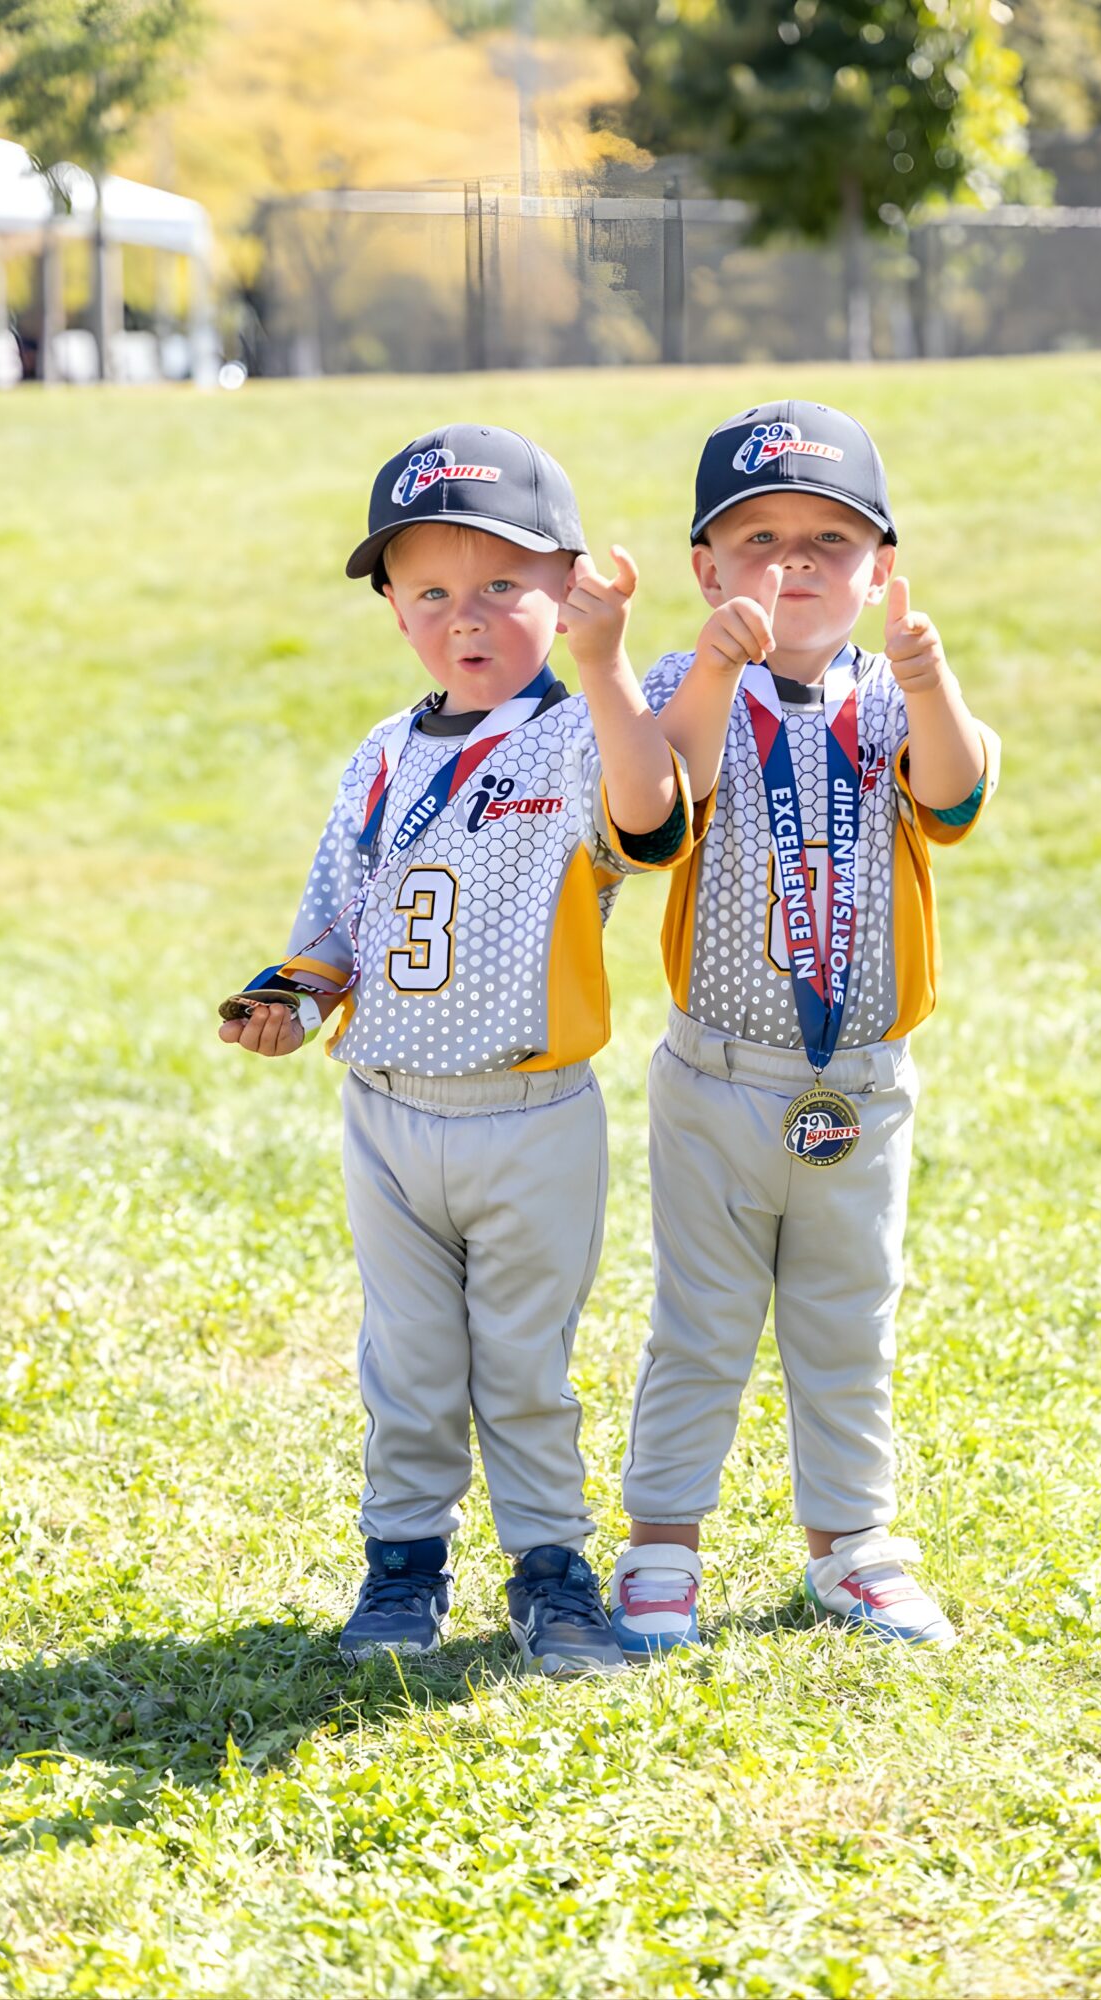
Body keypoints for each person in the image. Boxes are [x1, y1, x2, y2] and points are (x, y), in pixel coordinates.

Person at [219, 424, 691, 1676]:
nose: (465, 617)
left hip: (528, 1112)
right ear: (391, 607)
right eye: (430, 590)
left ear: (569, 583)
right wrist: (289, 997)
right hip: (385, 1111)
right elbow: (337, 917)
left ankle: (550, 1567)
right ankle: (402, 1564)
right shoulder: (379, 755)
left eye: (501, 585)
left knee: (524, 1368)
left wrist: (608, 658)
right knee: (411, 1360)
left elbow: (650, 814)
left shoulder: (585, 725)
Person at [608, 402, 999, 1654]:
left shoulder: (886, 693)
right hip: (718, 1074)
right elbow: (674, 795)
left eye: (830, 539)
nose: (794, 564)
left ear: (880, 565)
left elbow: (954, 793)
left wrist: (934, 684)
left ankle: (852, 1542)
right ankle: (661, 1544)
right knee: (702, 1318)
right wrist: (719, 666)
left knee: (847, 1312)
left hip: (860, 1082)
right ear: (704, 567)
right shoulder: (683, 681)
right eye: (759, 537)